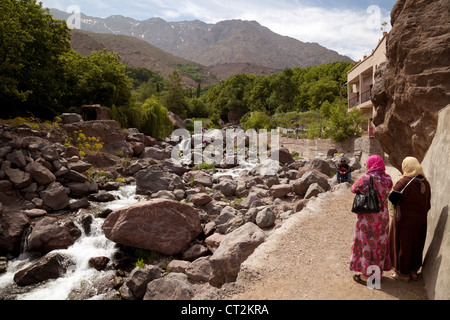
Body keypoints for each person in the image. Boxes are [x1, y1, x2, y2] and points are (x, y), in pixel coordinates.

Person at [350, 155, 393, 286]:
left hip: (368, 218)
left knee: (367, 246)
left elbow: (353, 189)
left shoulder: (366, 178)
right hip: (383, 217)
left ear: (371, 164)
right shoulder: (387, 179)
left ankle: (368, 278)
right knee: (380, 245)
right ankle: (377, 274)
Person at [389, 157, 431, 282]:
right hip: (421, 220)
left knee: (404, 244)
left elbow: (392, 198)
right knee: (417, 244)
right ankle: (413, 271)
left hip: (404, 220)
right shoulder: (426, 183)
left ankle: (403, 273)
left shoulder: (404, 182)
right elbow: (428, 205)